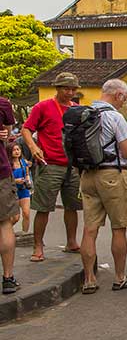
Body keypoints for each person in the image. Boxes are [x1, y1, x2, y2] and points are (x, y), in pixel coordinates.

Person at [79, 79, 127, 294]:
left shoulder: (82, 114)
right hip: (112, 174)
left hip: (87, 175)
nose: (124, 102)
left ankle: (89, 279)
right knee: (119, 227)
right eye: (124, 98)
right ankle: (120, 277)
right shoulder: (115, 117)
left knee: (90, 228)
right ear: (118, 95)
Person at [21, 72, 82, 261]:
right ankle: (38, 246)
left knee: (72, 205)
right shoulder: (43, 107)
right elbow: (26, 129)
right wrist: (33, 146)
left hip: (72, 165)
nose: (70, 92)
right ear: (57, 88)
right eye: (66, 88)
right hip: (50, 163)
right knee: (44, 207)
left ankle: (71, 242)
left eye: (73, 89)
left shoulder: (77, 109)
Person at [1, 95, 20, 294]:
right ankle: (7, 277)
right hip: (1, 173)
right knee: (5, 223)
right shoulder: (3, 103)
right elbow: (6, 134)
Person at [9, 143, 32, 235]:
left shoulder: (23, 162)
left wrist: (27, 180)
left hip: (23, 190)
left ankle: (24, 234)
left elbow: (27, 174)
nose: (17, 152)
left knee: (26, 213)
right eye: (14, 150)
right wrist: (15, 181)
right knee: (15, 217)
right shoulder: (8, 164)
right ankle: (5, 231)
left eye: (18, 149)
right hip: (12, 191)